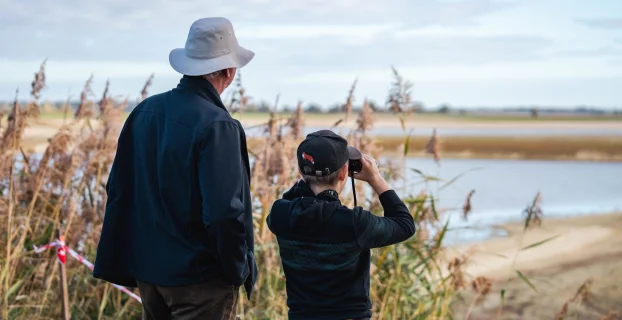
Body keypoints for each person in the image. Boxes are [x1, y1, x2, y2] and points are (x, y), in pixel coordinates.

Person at [93, 17, 257, 320]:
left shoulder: (143, 112)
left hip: (150, 275)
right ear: (230, 71)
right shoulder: (218, 125)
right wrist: (237, 270)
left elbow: (118, 189)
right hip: (200, 282)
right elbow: (223, 213)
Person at [267, 130, 416, 320]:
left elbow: (291, 199)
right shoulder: (355, 223)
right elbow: (405, 224)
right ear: (345, 172)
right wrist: (375, 178)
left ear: (300, 170)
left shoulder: (280, 215)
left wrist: (308, 176)